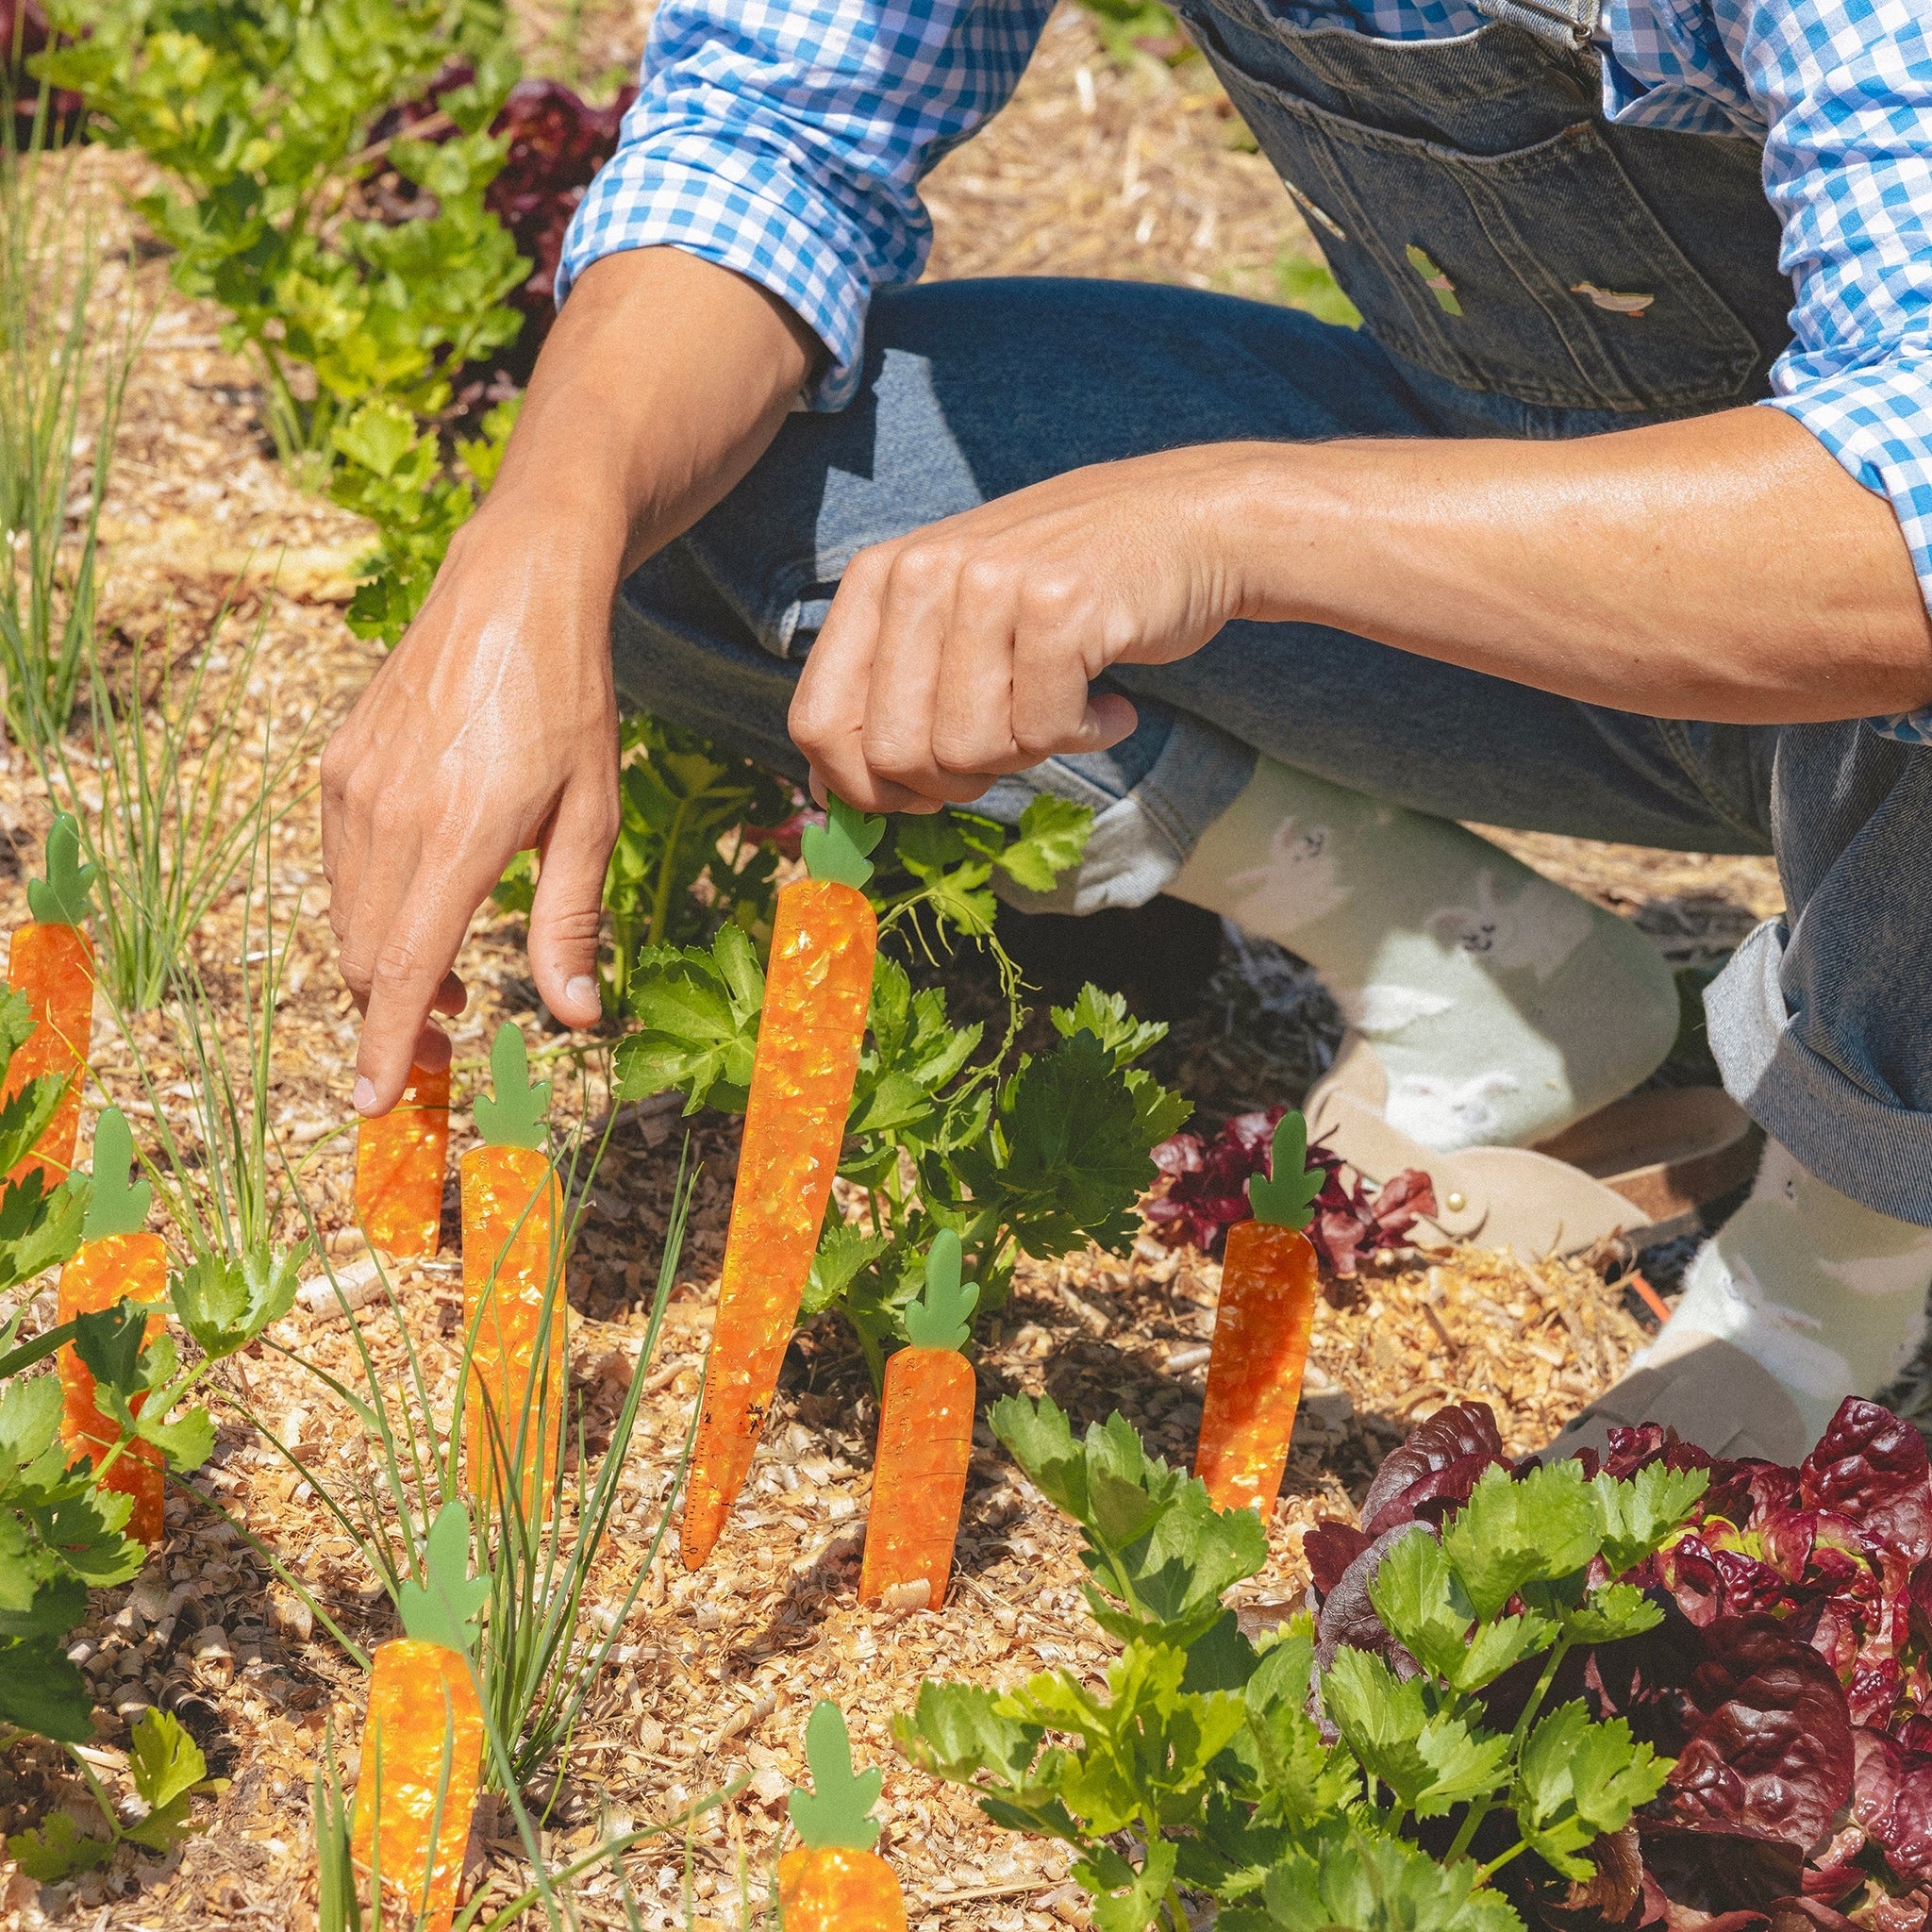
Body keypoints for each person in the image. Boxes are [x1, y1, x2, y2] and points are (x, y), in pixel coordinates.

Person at [321, 0, 1932, 1459]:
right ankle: (1480, 978)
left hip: (1862, 636)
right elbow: (770, 135)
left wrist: (1232, 521)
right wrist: (538, 532)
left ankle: (1839, 1277)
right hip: (1529, 580)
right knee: (698, 500)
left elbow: (1910, 518)